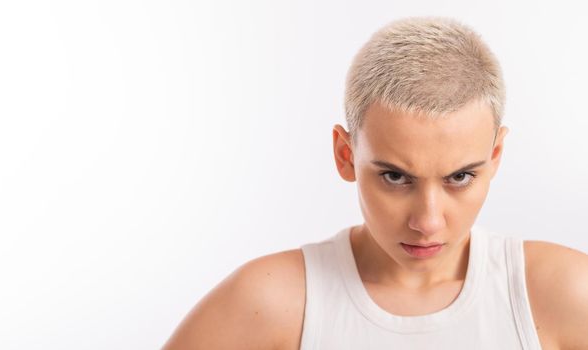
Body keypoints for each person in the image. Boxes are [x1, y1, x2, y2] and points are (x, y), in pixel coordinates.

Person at [163, 16, 588, 349]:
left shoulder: (562, 293)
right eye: (395, 177)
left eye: (459, 177)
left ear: (495, 157)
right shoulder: (271, 302)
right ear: (345, 156)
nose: (428, 221)